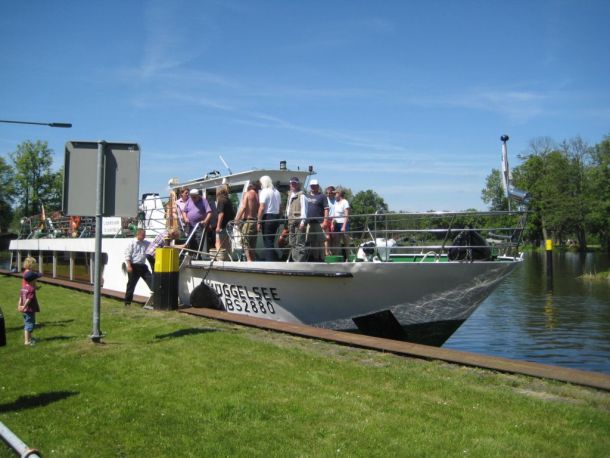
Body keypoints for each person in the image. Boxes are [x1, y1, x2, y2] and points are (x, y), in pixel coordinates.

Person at [124, 228, 152, 306]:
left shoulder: (146, 243)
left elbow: (154, 245)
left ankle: (156, 301)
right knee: (131, 285)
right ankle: (127, 303)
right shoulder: (132, 243)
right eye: (143, 235)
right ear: (138, 234)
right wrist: (129, 266)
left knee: (152, 281)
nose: (144, 236)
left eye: (144, 235)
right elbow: (127, 255)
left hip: (143, 266)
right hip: (134, 266)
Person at [303, 179, 329, 262]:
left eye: (315, 185)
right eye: (312, 185)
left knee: (321, 241)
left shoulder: (322, 196)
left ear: (318, 186)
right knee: (312, 241)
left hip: (319, 222)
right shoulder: (306, 196)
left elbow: (326, 209)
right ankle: (315, 258)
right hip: (309, 223)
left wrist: (325, 221)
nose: (313, 187)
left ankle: (322, 258)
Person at [257, 175, 282, 261]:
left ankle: (270, 261)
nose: (260, 185)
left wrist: (259, 222)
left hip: (267, 217)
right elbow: (280, 207)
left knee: (268, 242)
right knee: (271, 241)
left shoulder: (264, 191)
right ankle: (273, 259)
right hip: (276, 217)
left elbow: (262, 208)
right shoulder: (277, 192)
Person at [183, 188, 212, 257]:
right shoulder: (189, 200)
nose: (193, 199)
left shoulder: (203, 201)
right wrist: (185, 218)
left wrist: (205, 221)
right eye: (192, 197)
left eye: (194, 197)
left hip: (199, 225)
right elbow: (184, 211)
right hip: (190, 225)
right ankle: (191, 255)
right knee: (190, 240)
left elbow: (209, 212)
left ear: (198, 195)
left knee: (199, 241)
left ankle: (197, 256)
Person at [284, 177, 308, 261]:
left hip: (299, 223)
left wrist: (303, 222)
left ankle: (300, 261)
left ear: (298, 184)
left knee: (300, 242)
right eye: (291, 183)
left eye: (294, 183)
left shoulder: (302, 196)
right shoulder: (290, 195)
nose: (293, 185)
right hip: (291, 222)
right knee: (292, 242)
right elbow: (288, 208)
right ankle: (295, 260)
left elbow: (304, 209)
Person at [235, 182, 260, 261]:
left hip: (248, 222)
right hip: (255, 221)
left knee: (245, 243)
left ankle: (249, 261)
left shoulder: (247, 194)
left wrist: (236, 219)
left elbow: (243, 207)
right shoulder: (257, 195)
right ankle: (252, 260)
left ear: (249, 187)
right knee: (252, 244)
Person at [18, 270, 42, 345]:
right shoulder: (31, 289)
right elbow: (29, 299)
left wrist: (19, 306)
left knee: (28, 323)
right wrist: (24, 306)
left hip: (25, 310)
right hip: (29, 310)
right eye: (36, 279)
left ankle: (30, 338)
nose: (37, 280)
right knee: (29, 325)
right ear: (33, 280)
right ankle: (27, 341)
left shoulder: (23, 288)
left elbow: (20, 298)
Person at [215, 184, 236, 252]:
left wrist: (218, 226)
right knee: (228, 245)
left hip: (223, 227)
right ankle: (227, 256)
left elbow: (221, 214)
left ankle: (221, 257)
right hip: (229, 225)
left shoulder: (221, 200)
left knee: (219, 244)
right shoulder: (228, 200)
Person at [333, 189, 351, 259]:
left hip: (344, 224)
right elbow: (335, 214)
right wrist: (332, 223)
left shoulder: (345, 202)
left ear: (339, 194)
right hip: (337, 224)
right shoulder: (335, 202)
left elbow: (346, 215)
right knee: (336, 242)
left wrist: (343, 226)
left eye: (335, 193)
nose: (334, 195)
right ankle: (337, 258)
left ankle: (348, 259)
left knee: (346, 242)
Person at [324, 186, 336, 256]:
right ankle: (327, 252)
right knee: (327, 237)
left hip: (334, 220)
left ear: (333, 193)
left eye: (330, 193)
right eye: (327, 193)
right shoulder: (325, 200)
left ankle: (332, 251)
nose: (328, 194)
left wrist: (333, 222)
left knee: (333, 237)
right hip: (326, 219)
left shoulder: (336, 200)